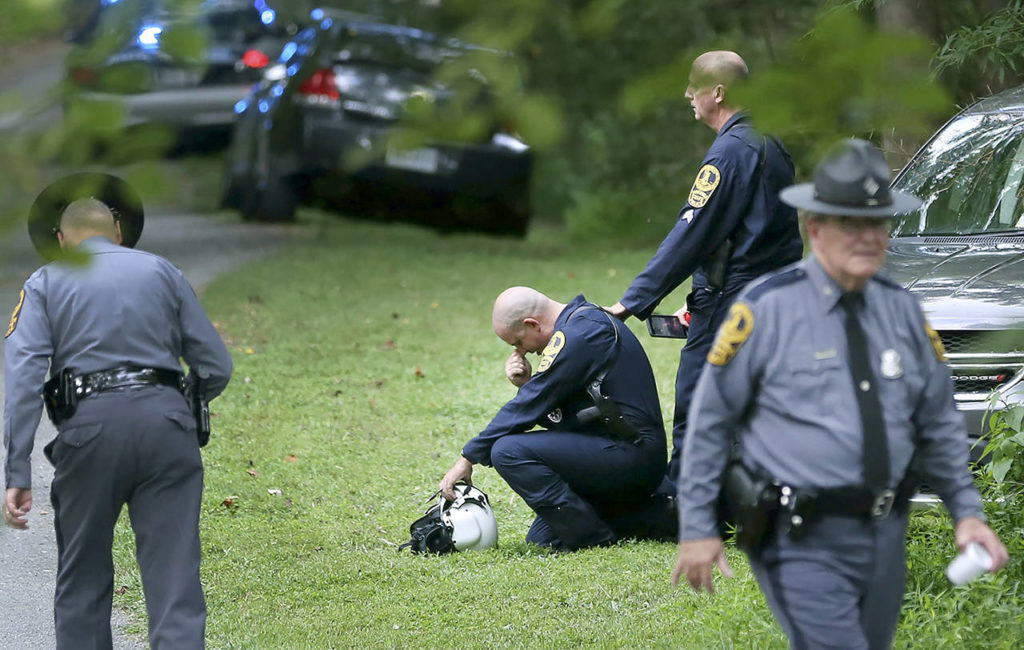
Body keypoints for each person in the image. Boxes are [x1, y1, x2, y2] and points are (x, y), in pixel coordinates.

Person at [671, 140, 1009, 649]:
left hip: (884, 533)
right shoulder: (764, 311)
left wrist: (967, 513)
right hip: (797, 534)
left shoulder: (905, 314)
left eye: (878, 223)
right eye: (850, 223)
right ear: (815, 228)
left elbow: (937, 424)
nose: (868, 237)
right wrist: (697, 523)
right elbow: (710, 423)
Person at [3, 173, 233, 649]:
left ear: (62, 241)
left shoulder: (45, 281)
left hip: (89, 433)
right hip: (168, 429)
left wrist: (17, 469)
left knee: (83, 580)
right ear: (119, 234)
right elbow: (216, 365)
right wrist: (181, 406)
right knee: (175, 583)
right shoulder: (162, 271)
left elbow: (23, 376)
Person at [608, 50, 803, 488]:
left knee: (698, 400)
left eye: (694, 87)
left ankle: (686, 501)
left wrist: (632, 301)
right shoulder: (772, 142)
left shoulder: (730, 152)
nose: (687, 95)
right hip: (776, 297)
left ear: (718, 92)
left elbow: (691, 233)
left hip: (731, 301)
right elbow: (773, 234)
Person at [439, 287, 672, 551]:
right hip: (613, 449)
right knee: (543, 538)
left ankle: (592, 538)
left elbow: (527, 407)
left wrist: (467, 458)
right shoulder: (580, 324)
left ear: (532, 324)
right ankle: (654, 514)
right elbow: (568, 420)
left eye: (517, 342)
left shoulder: (581, 334)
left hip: (634, 456)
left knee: (507, 451)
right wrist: (527, 383)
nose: (521, 351)